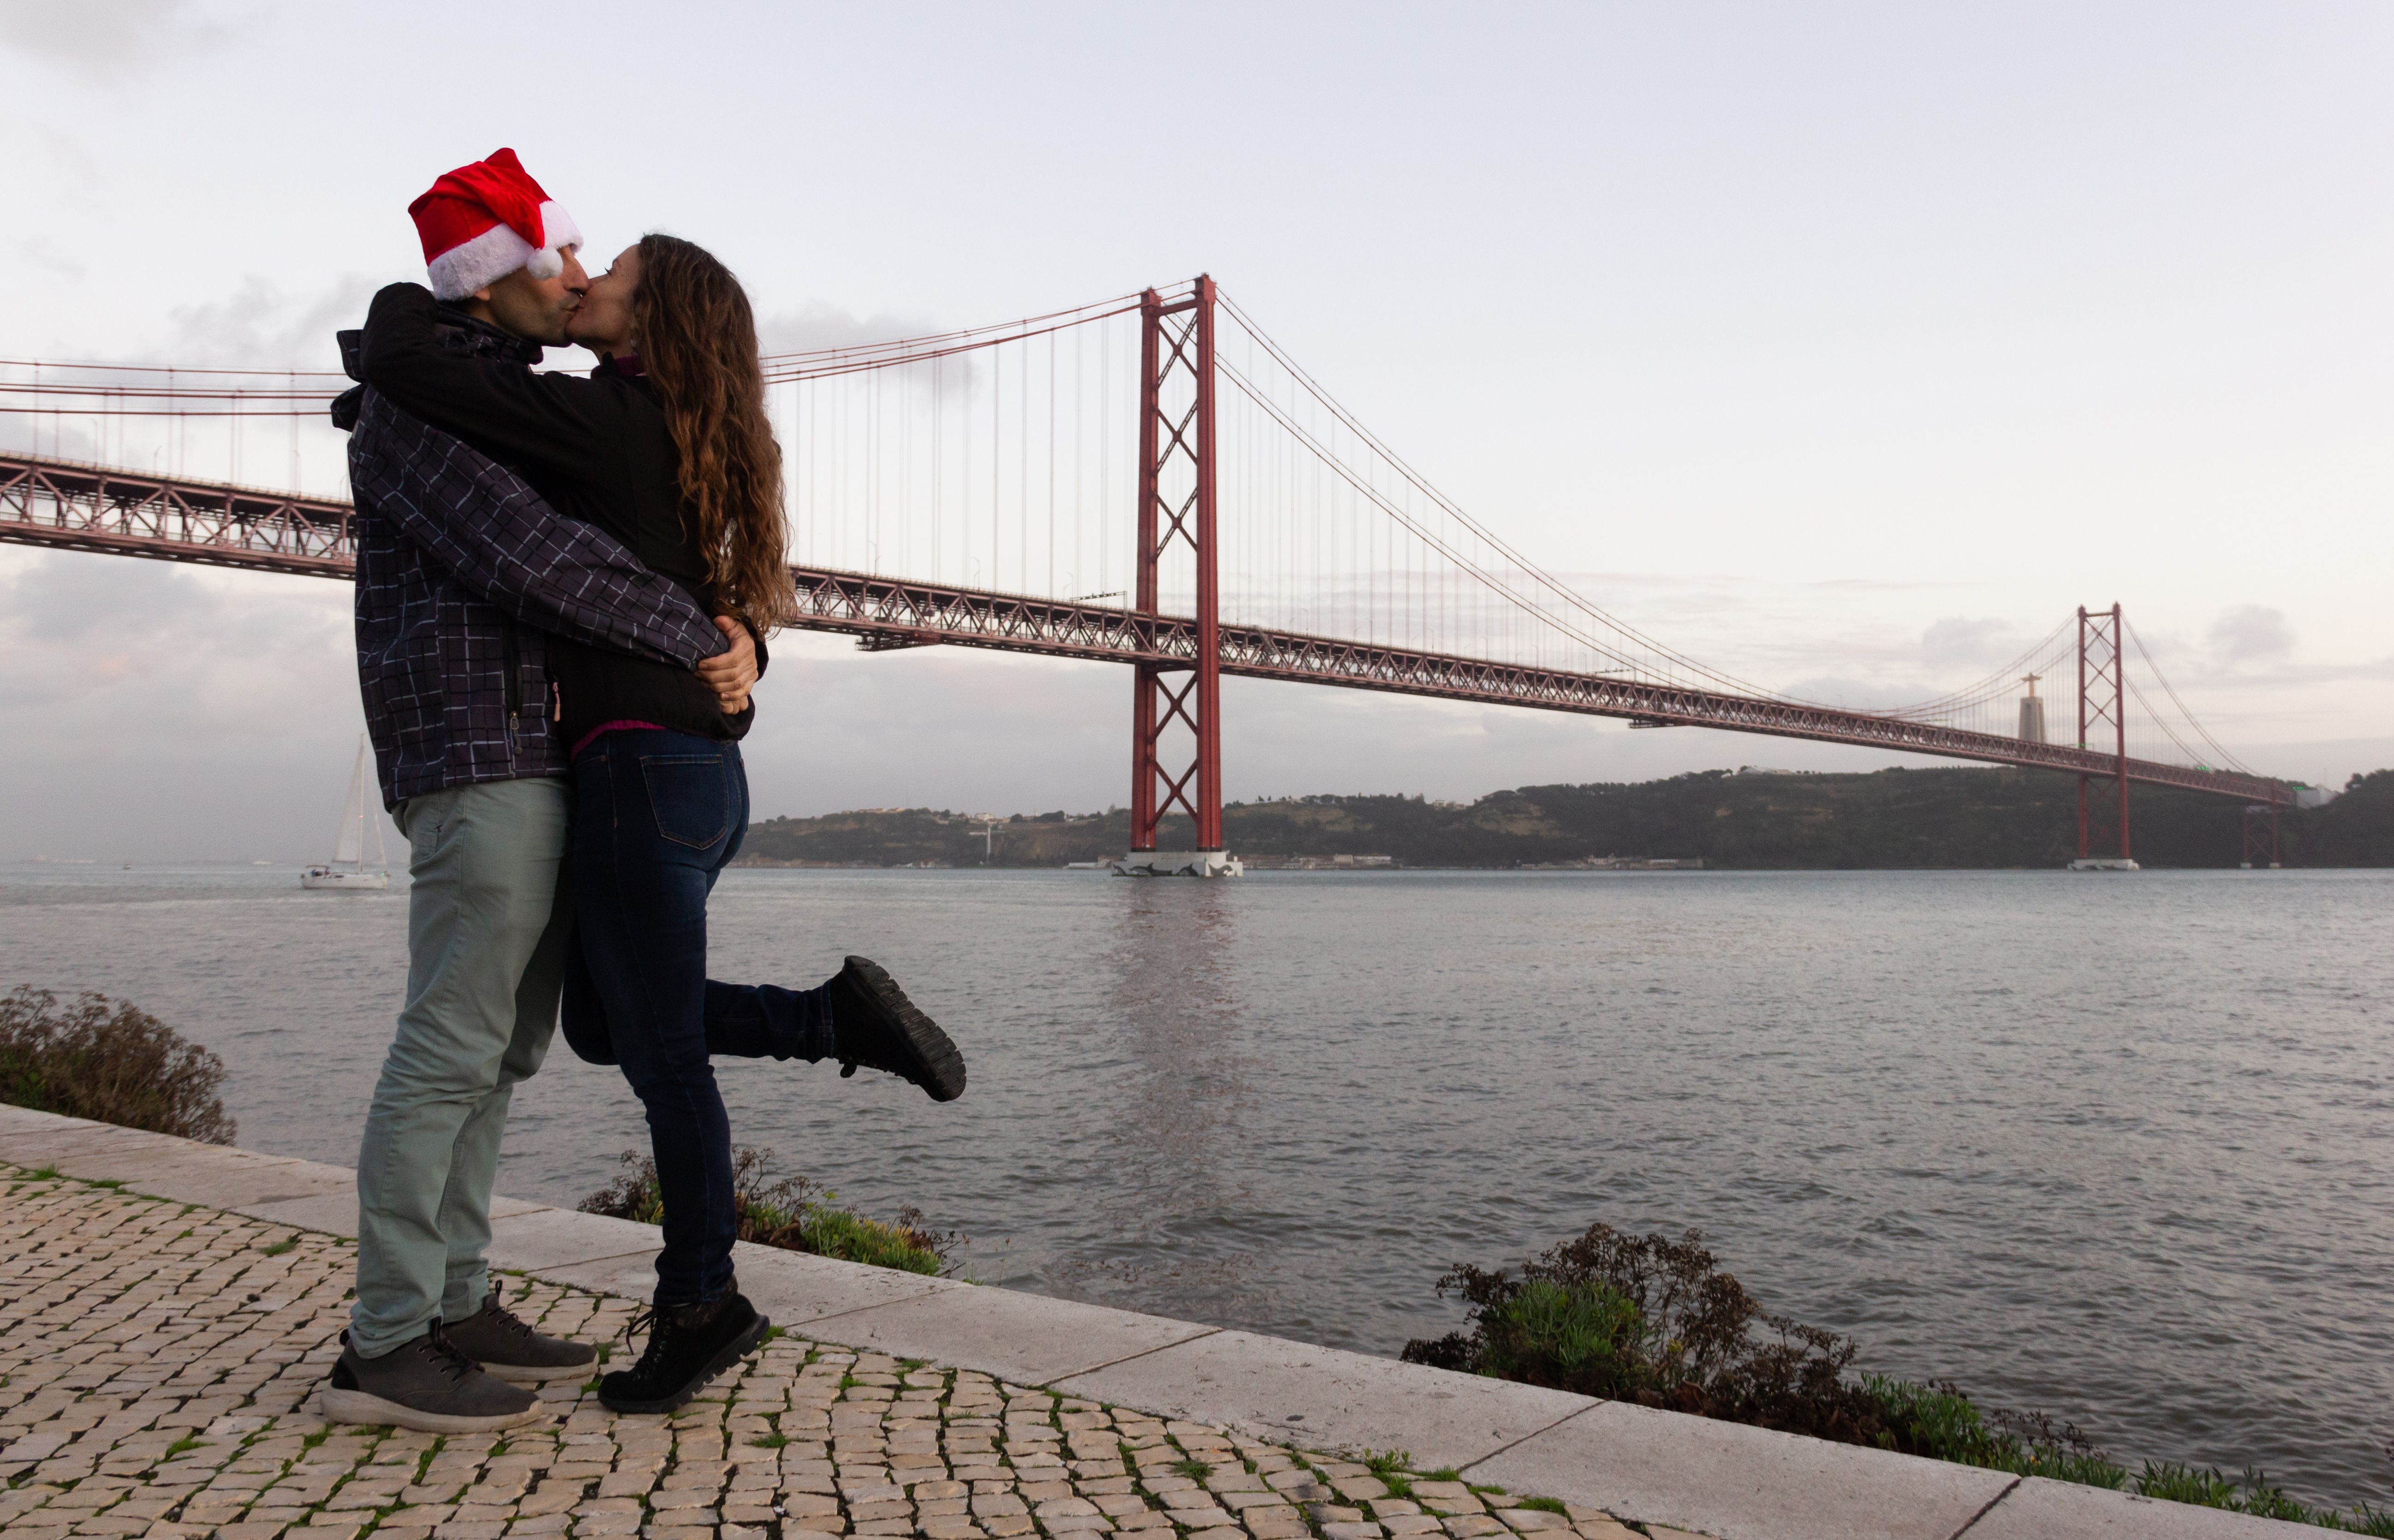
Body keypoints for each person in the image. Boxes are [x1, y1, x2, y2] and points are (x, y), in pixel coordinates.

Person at [348, 232, 968, 1415]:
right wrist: (736, 641)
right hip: (688, 776)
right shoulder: (698, 433)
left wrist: (411, 300)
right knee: (599, 1024)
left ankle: (701, 1302)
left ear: (652, 322)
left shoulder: (609, 419)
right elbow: (687, 585)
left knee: (661, 1058)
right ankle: (829, 1018)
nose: (583, 282)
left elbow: (420, 377)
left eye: (611, 277)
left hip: (638, 767)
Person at [326, 149, 761, 1434]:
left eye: (589, 262)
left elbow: (625, 532)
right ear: (494, 273)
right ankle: (387, 1338)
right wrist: (700, 636)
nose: (576, 276)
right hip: (477, 751)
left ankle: (456, 1299)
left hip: (543, 748)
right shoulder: (419, 410)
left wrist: (736, 635)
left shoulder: (500, 390)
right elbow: (536, 559)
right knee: (452, 1044)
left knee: (506, 1051)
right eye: (560, 255)